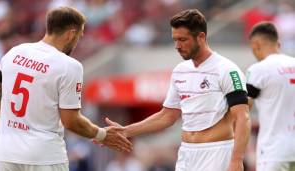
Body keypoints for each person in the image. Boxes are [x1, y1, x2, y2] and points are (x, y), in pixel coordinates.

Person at [105, 9, 251, 171]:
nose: (177, 46)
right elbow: (167, 116)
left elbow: (243, 117)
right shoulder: (180, 71)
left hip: (216, 153)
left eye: (183, 39)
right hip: (186, 154)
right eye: (175, 40)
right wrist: (127, 131)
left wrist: (237, 160)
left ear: (201, 37)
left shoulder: (227, 70)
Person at [0, 6, 132, 171]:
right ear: (71, 33)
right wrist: (102, 134)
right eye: (79, 36)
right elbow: (71, 121)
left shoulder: (14, 53)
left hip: (5, 153)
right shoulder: (69, 66)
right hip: (44, 156)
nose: (77, 42)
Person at [246, 21, 295, 171]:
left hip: (274, 150)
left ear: (256, 45)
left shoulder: (258, 70)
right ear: (278, 44)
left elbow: (243, 106)